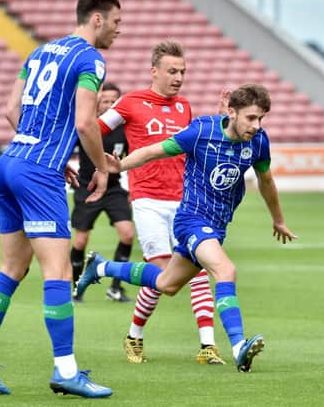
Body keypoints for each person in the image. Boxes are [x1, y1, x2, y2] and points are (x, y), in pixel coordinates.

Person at [76, 83, 296, 372]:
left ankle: (101, 268)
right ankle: (239, 346)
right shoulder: (201, 131)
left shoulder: (258, 142)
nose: (257, 125)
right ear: (232, 112)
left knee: (167, 284)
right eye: (251, 118)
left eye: (261, 118)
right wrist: (121, 166)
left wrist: (277, 219)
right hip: (191, 220)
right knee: (225, 271)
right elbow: (154, 151)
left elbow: (266, 181)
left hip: (216, 226)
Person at [0, 0, 121, 398]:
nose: (120, 32)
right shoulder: (91, 59)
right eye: (117, 23)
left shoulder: (40, 52)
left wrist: (46, 151)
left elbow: (11, 109)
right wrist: (101, 170)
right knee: (60, 271)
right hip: (36, 172)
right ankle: (66, 370)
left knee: (12, 269)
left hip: (9, 163)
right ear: (97, 20)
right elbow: (87, 124)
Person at [97, 41, 226, 365]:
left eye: (182, 71)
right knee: (161, 274)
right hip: (148, 201)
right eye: (172, 71)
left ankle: (207, 346)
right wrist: (100, 162)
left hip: (184, 202)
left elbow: (198, 143)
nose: (179, 77)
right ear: (154, 71)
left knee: (197, 270)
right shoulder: (130, 103)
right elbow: (93, 128)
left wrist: (223, 122)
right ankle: (134, 334)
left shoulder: (184, 107)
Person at [70, 82, 133, 303]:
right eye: (104, 101)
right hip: (87, 186)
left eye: (113, 101)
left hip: (114, 188)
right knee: (80, 241)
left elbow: (132, 160)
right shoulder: (87, 126)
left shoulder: (125, 130)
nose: (108, 105)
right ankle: (76, 286)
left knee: (127, 234)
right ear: (97, 102)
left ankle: (115, 288)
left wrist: (132, 189)